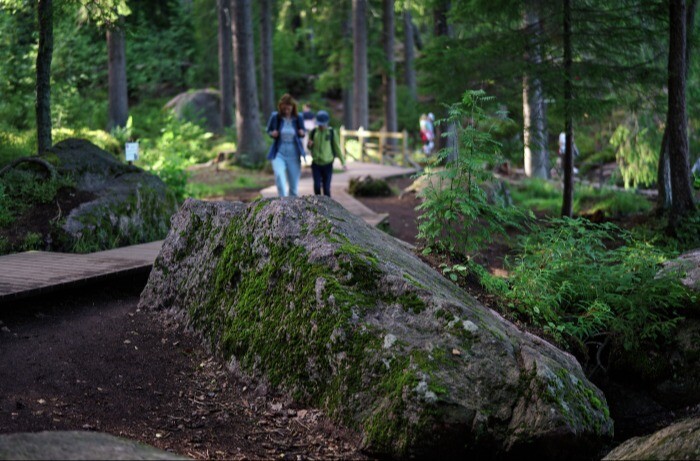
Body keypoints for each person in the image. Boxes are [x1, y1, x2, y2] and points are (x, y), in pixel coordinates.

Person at [266, 94, 306, 197]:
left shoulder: (298, 118)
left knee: (293, 187)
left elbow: (303, 131)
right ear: (281, 107)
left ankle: (292, 210)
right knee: (280, 179)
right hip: (279, 153)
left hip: (294, 153)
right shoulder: (276, 117)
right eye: (284, 107)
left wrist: (302, 132)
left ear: (293, 107)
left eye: (289, 107)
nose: (287, 109)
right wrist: (272, 133)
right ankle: (282, 206)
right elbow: (268, 130)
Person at [306, 110, 346, 197]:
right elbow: (309, 147)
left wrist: (343, 162)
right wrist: (309, 145)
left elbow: (337, 148)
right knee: (317, 186)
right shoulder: (313, 132)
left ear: (326, 123)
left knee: (326, 188)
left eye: (322, 124)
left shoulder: (331, 132)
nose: (321, 126)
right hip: (316, 163)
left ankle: (328, 209)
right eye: (319, 124)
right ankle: (318, 206)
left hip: (328, 164)